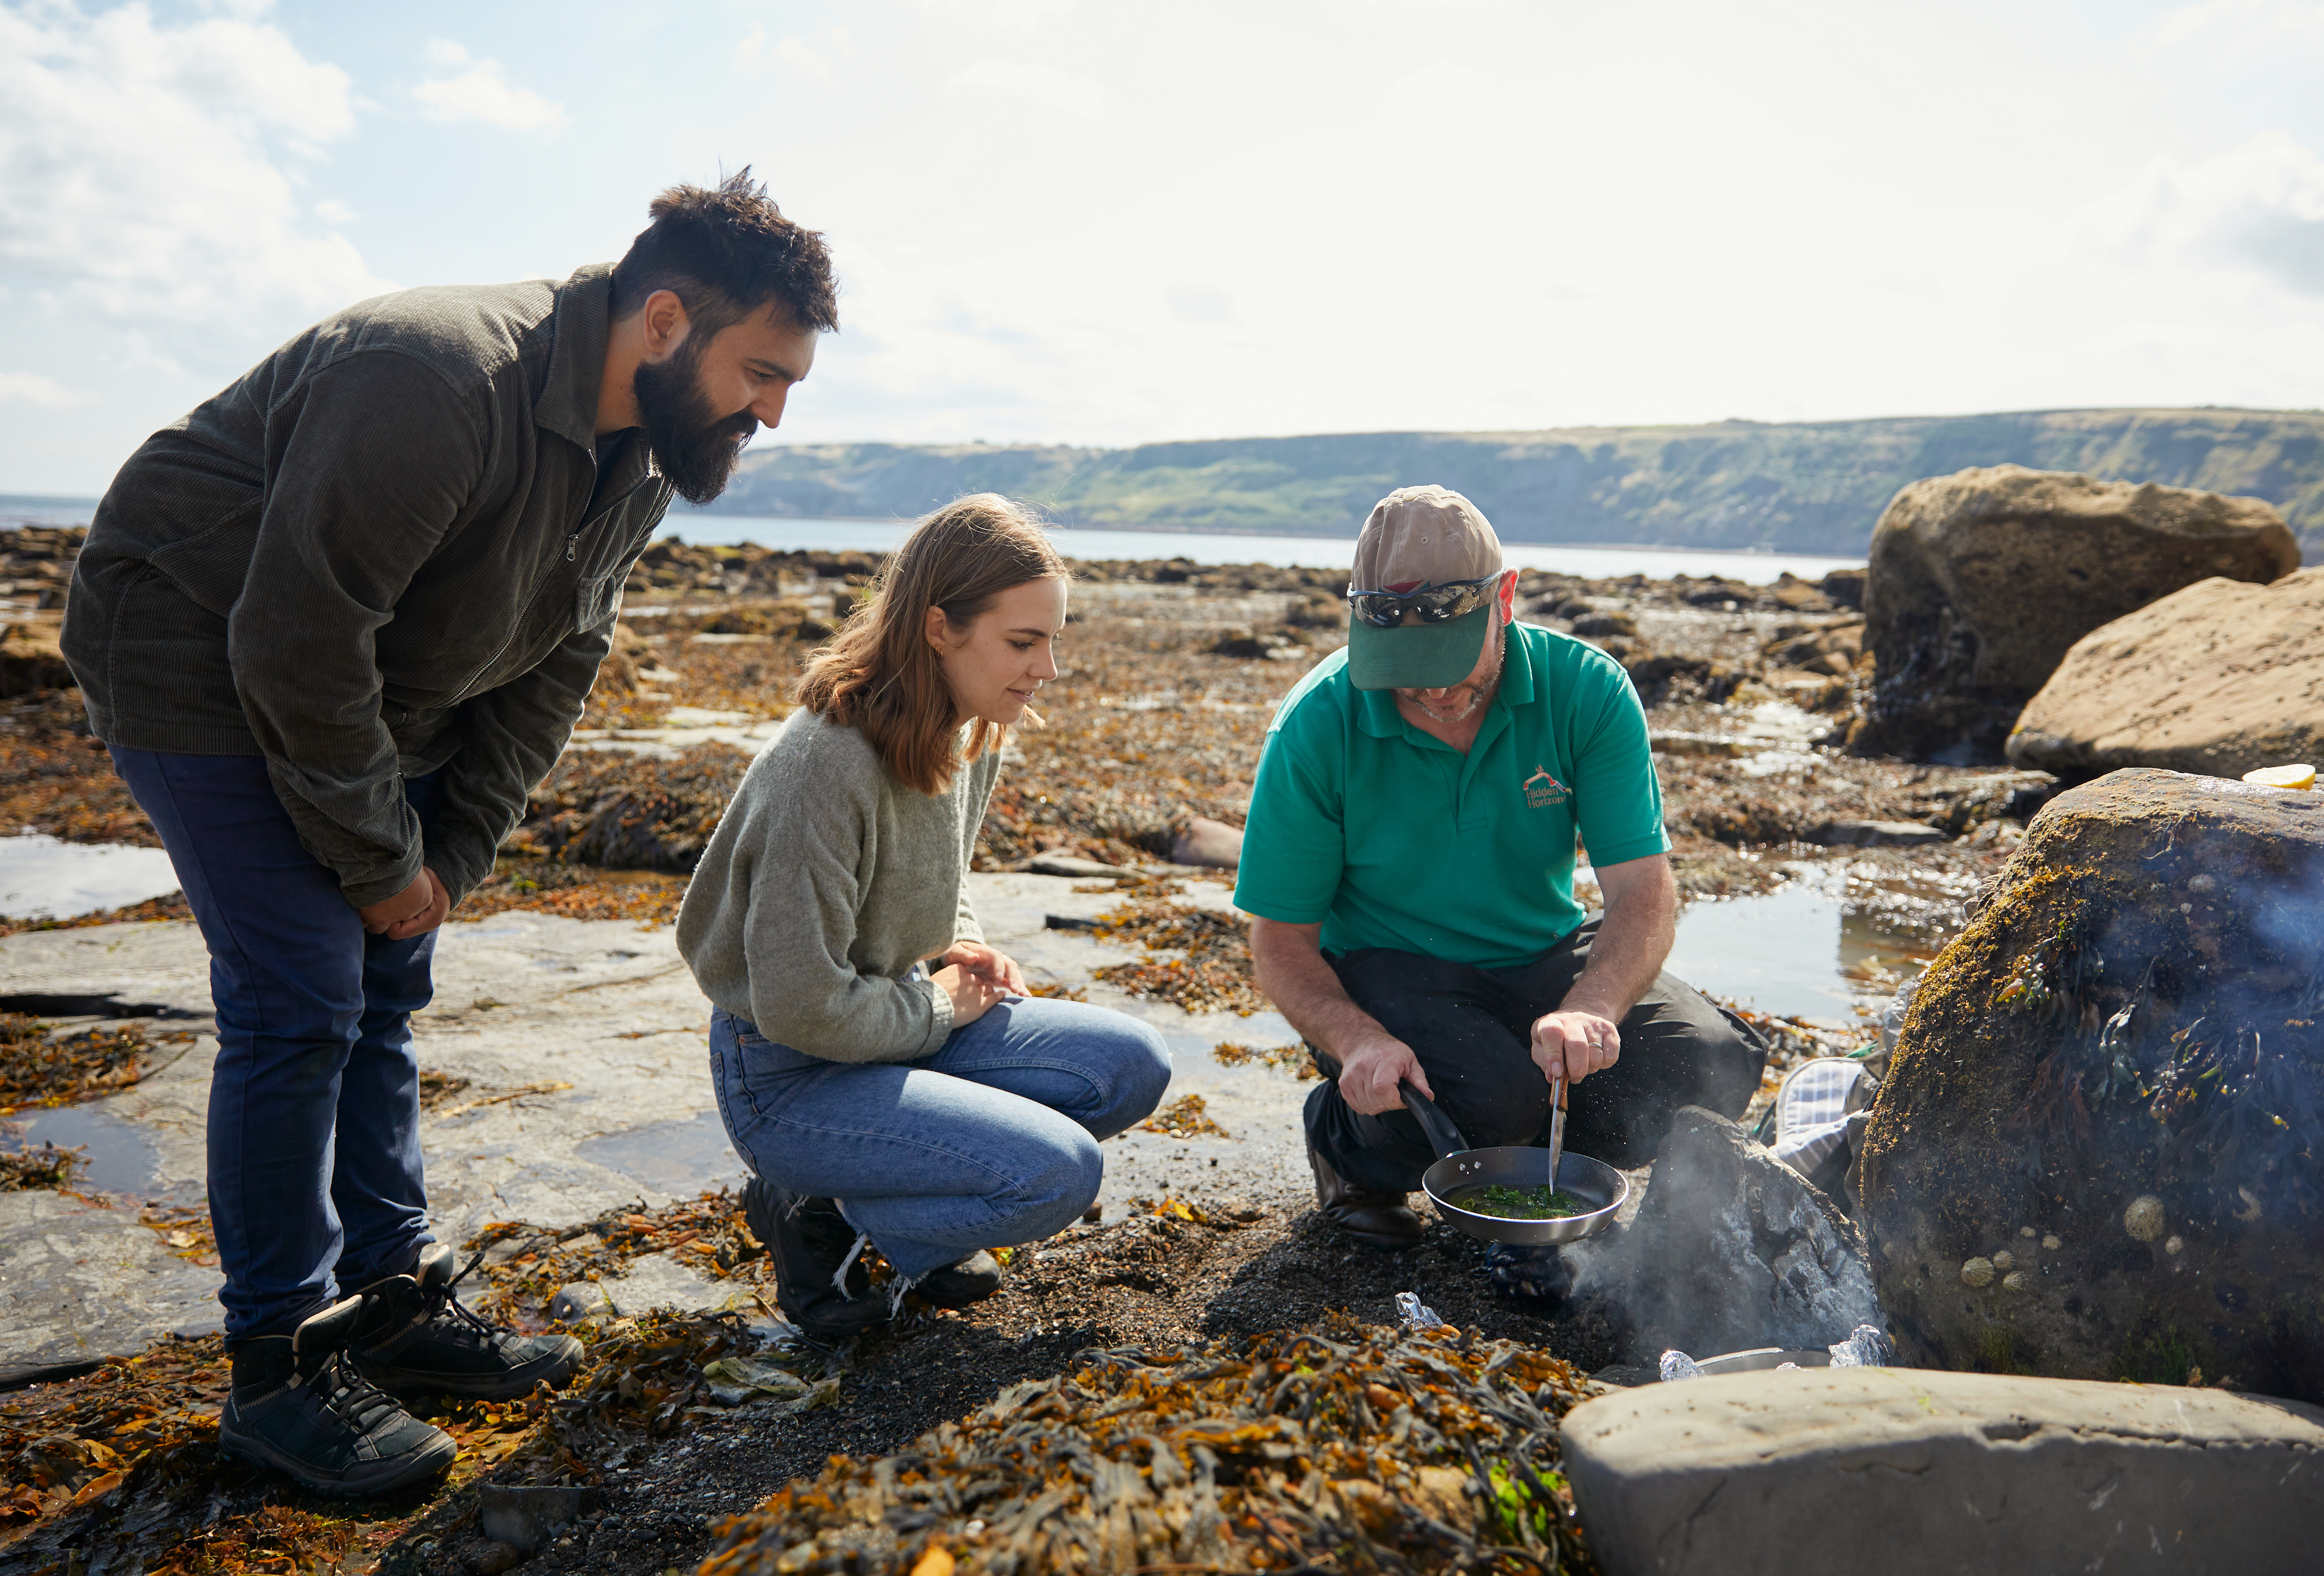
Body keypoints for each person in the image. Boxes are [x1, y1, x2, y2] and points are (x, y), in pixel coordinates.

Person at [59, 170, 838, 1497]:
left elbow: (555, 667)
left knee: (387, 978)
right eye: (761, 372)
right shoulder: (431, 377)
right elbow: (296, 642)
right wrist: (372, 861)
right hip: (193, 648)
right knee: (302, 993)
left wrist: (444, 865)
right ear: (662, 323)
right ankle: (279, 1370)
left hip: (381, 687)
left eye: (790, 385)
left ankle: (395, 1304)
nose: (770, 411)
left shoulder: (645, 455)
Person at [1234, 485, 1766, 1295]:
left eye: (1447, 663)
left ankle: (1529, 1173)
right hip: (1388, 967)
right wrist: (1358, 1041)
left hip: (1542, 952)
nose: (1431, 693)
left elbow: (1642, 891)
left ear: (1504, 599)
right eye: (1405, 675)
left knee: (1710, 1061)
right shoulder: (1316, 722)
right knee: (1491, 1097)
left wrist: (1590, 1005)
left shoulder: (1588, 689)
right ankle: (1345, 1142)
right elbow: (1279, 940)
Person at [677, 494, 1174, 1337]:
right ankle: (822, 1216)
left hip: (895, 1017)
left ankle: (872, 1191)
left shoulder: (974, 726)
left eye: (1054, 639)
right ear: (939, 626)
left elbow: (943, 870)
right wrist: (943, 1006)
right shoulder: (822, 766)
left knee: (1132, 1064)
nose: (1047, 668)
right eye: (1025, 642)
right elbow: (801, 1002)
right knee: (1055, 1175)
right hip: (788, 1071)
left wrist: (966, 942)